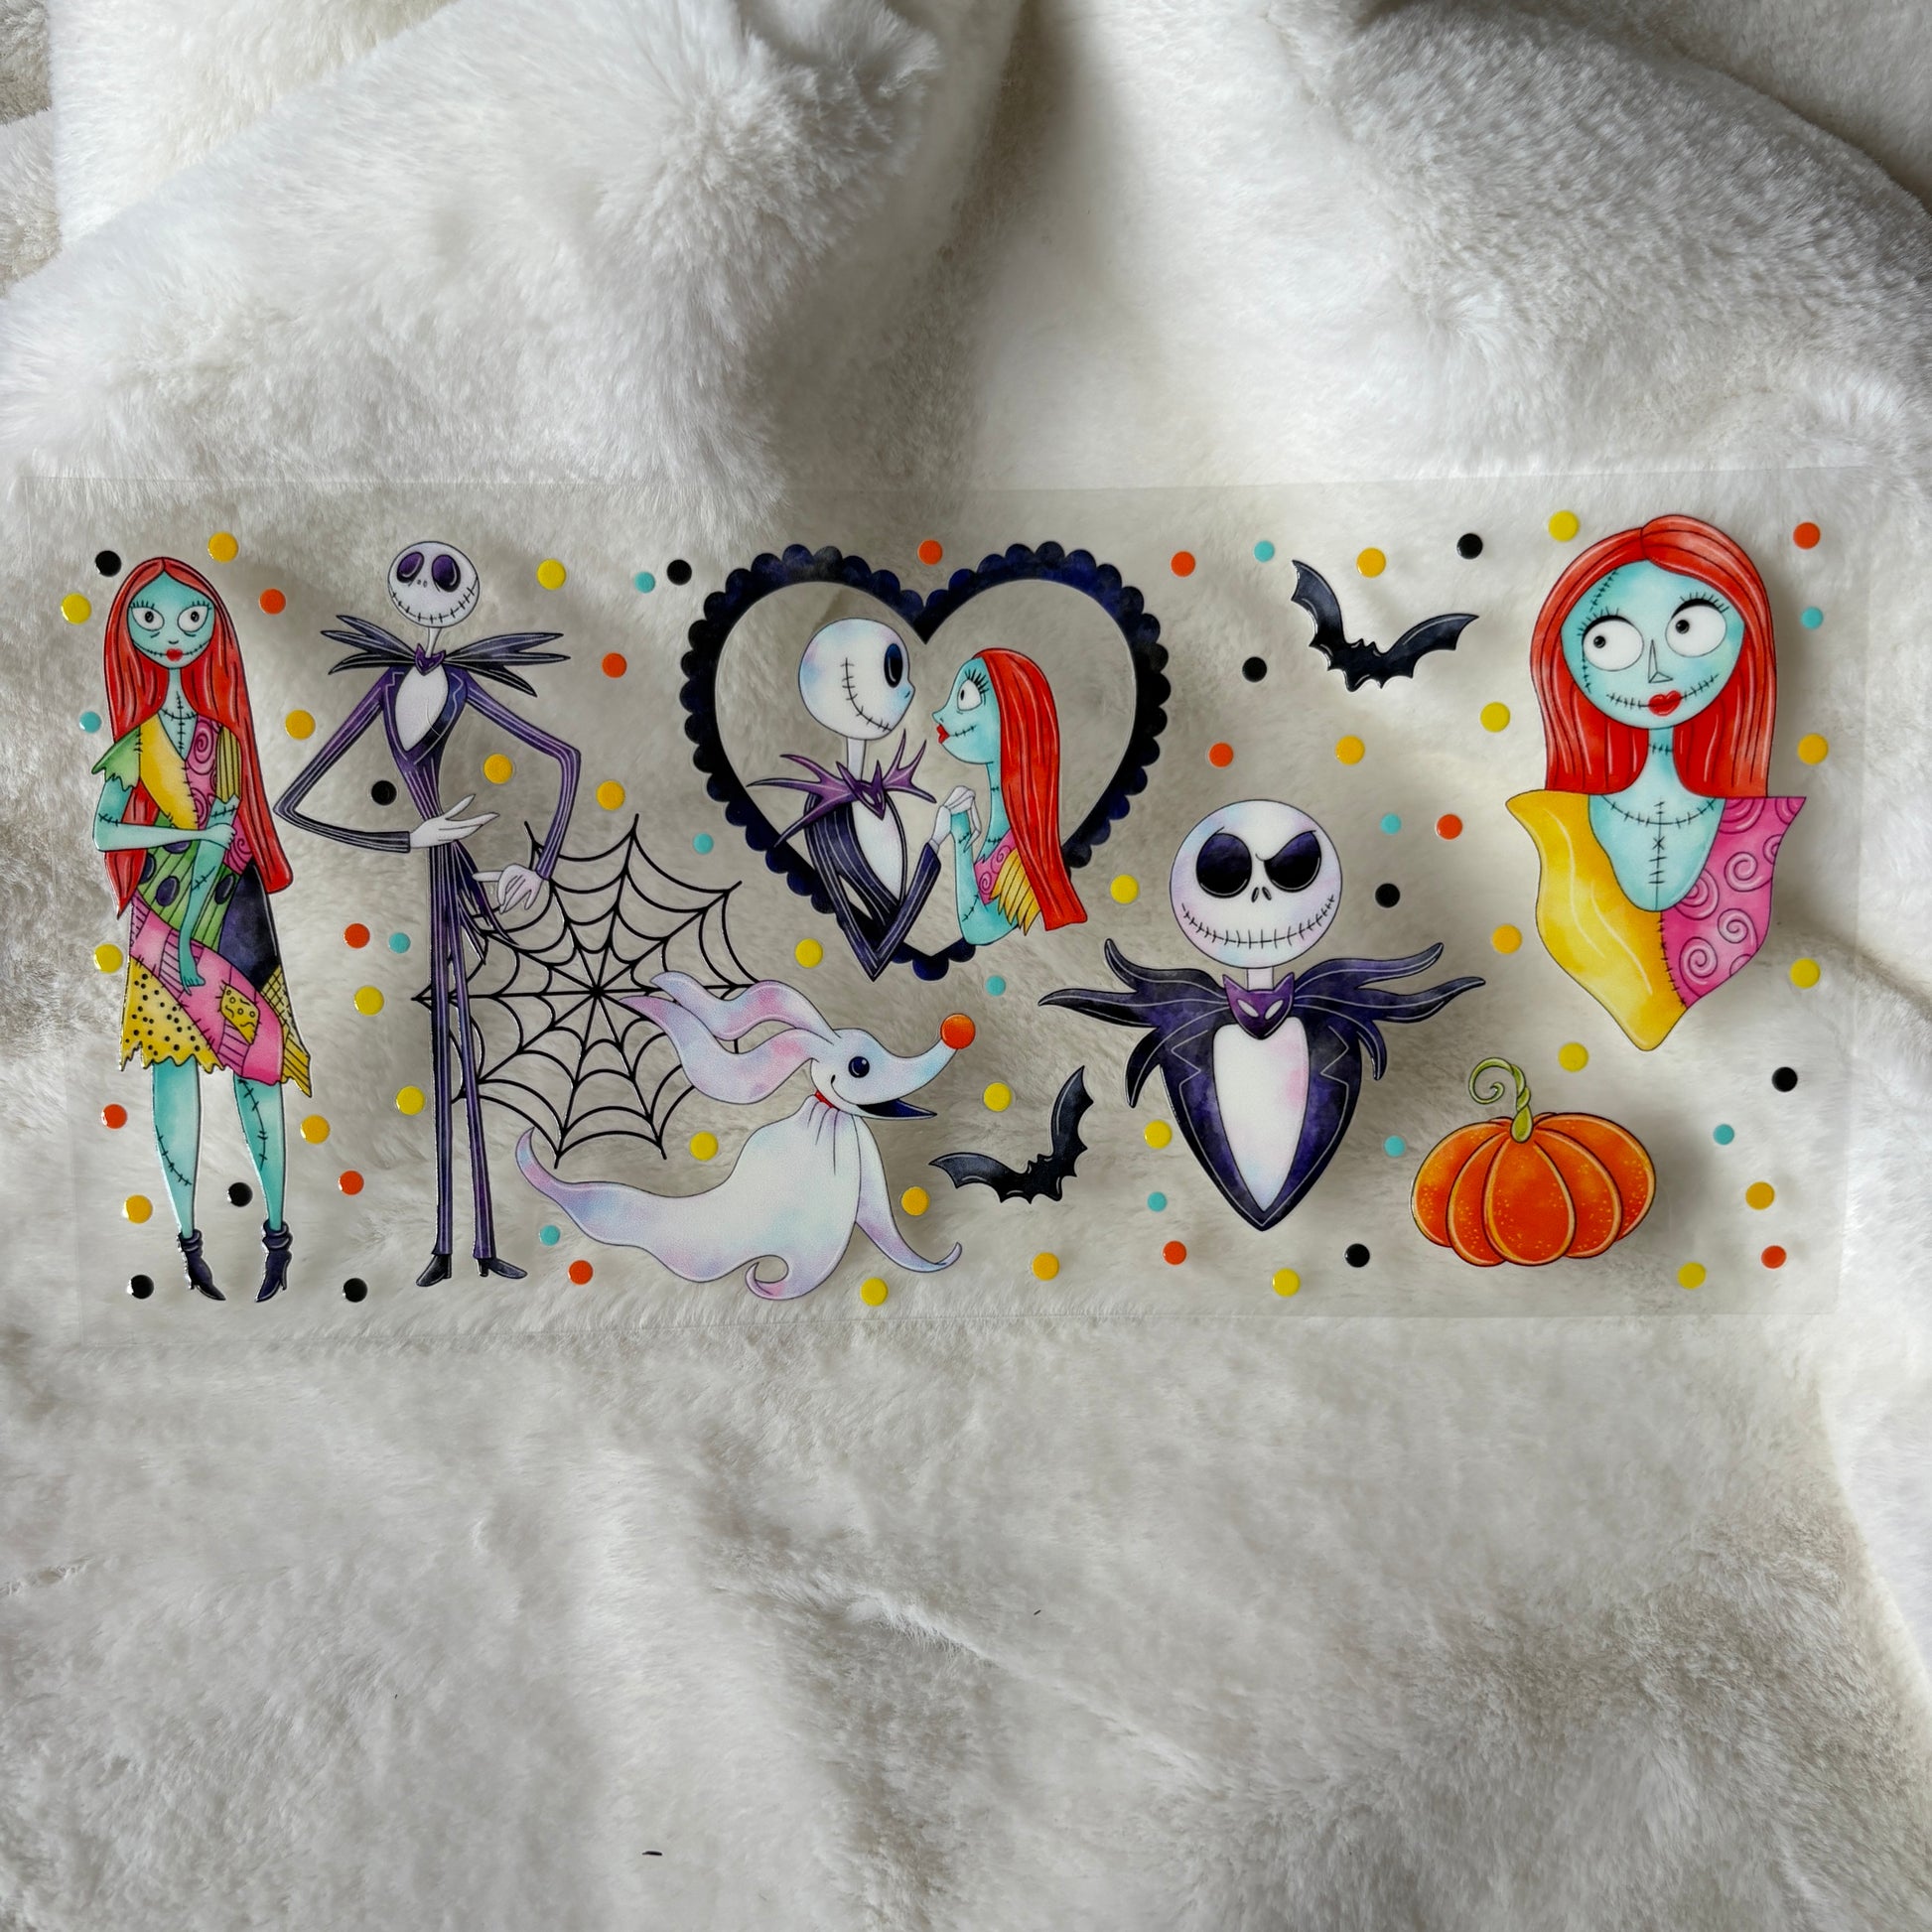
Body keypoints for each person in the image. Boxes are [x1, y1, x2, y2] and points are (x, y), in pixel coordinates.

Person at [91, 558, 309, 1302]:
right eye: (150, 618)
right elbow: (106, 831)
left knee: (260, 1067)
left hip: (235, 909)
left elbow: (230, 828)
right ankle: (189, 1246)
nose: (173, 634)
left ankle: (277, 1237)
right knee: (171, 1071)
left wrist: (209, 860)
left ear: (214, 625)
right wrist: (182, 838)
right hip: (161, 913)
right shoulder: (136, 743)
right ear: (128, 633)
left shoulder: (228, 739)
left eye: (192, 616)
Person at [1508, 514, 1801, 1050]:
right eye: (1607, 641)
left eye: (1688, 629)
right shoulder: (1558, 820)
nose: (1655, 671)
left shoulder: (1755, 825)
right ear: (1562, 661)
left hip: (1745, 1036)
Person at [930, 648, 1086, 945]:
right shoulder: (1003, 837)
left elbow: (978, 929)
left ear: (1012, 714)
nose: (940, 714)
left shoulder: (1029, 852)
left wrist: (961, 840)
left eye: (965, 697)